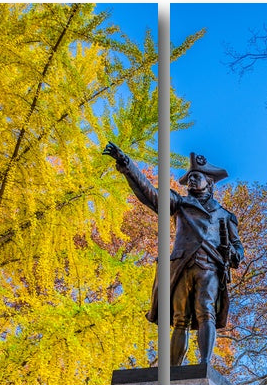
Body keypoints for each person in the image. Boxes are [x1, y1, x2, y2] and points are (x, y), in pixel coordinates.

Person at [104, 144, 243, 365]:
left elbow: (237, 246)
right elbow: (150, 194)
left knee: (206, 311)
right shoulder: (180, 203)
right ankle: (173, 368)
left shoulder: (225, 215)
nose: (192, 181)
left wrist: (235, 254)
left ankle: (204, 364)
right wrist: (126, 164)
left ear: (210, 181)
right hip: (180, 267)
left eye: (197, 176)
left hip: (209, 267)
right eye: (190, 178)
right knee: (180, 320)